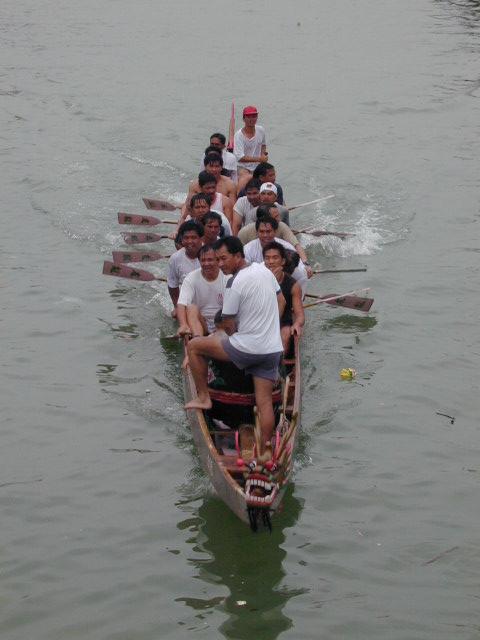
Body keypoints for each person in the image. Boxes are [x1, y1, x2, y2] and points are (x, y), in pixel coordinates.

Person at [184, 237, 285, 451]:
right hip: (272, 349)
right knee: (265, 402)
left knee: (194, 346)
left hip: (247, 349)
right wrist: (268, 329)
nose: (220, 265)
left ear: (238, 256)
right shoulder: (265, 271)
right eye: (217, 260)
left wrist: (234, 335)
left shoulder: (235, 282)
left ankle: (204, 397)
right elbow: (281, 301)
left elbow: (227, 323)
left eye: (223, 259)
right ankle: (265, 452)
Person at [243, 216, 309, 294]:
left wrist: (307, 266)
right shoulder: (247, 249)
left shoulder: (287, 247)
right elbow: (245, 275)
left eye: (268, 231)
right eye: (261, 231)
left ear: (275, 232)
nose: (265, 235)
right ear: (257, 232)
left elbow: (301, 271)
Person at [176, 244, 228, 338]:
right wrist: (183, 325)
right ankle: (197, 339)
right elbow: (181, 304)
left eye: (210, 260)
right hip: (201, 324)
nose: (206, 264)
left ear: (217, 260)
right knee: (191, 307)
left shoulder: (227, 277)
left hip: (222, 324)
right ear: (199, 261)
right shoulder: (191, 278)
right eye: (203, 260)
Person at [262, 241, 305, 353]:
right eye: (267, 258)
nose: (271, 262)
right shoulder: (256, 279)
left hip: (282, 322)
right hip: (261, 319)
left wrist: (297, 324)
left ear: (283, 261)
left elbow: (300, 315)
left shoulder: (294, 285)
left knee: (285, 335)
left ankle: (279, 366)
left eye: (275, 258)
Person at [167, 220, 204, 314]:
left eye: (193, 237)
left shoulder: (211, 255)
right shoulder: (175, 258)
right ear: (182, 240)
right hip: (189, 302)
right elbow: (173, 285)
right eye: (186, 238)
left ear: (201, 238)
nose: (189, 241)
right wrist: (177, 307)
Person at [233, 105, 268, 192]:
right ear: (244, 119)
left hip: (257, 165)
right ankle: (238, 198)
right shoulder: (238, 136)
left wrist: (263, 156)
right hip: (242, 166)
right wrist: (259, 159)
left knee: (270, 177)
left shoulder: (261, 130)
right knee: (245, 178)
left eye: (254, 116)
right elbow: (240, 158)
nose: (251, 119)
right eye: (248, 116)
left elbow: (263, 145)